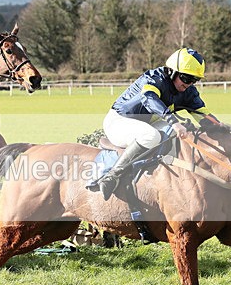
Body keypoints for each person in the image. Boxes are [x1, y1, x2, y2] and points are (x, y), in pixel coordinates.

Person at [91, 47, 221, 199]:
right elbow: (149, 99)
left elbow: (203, 116)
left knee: (178, 133)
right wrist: (173, 121)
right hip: (119, 121)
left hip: (147, 123)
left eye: (194, 80)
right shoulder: (154, 78)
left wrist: (224, 129)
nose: (189, 84)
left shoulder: (188, 92)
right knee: (151, 136)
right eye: (186, 78)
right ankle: (111, 176)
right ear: (172, 72)